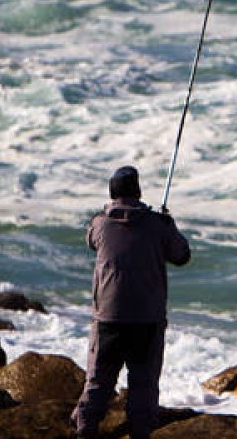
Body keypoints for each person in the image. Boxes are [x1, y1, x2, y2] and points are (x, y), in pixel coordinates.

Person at [71, 165, 191, 439]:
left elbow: (91, 241)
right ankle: (140, 432)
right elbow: (182, 255)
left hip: (108, 319)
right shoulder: (158, 225)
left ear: (112, 193)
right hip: (147, 321)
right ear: (138, 191)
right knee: (143, 385)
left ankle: (84, 429)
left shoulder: (99, 224)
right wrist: (168, 225)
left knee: (99, 381)